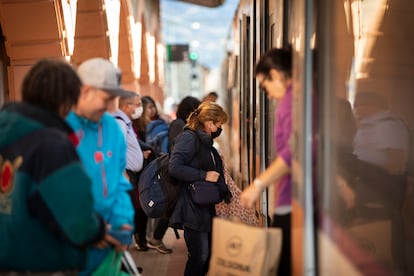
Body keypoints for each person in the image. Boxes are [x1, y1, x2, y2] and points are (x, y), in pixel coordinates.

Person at [0, 59, 107, 274]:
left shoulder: (8, 132)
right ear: (66, 101)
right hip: (43, 265)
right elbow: (78, 223)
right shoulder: (51, 144)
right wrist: (98, 230)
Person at [66, 57, 135, 275]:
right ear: (85, 91)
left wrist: (124, 221)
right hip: (73, 248)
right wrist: (88, 230)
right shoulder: (60, 129)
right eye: (106, 98)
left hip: (108, 248)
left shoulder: (112, 129)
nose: (109, 106)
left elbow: (119, 181)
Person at [240, 48, 293, 276]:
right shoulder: (297, 100)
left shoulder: (291, 102)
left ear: (276, 74)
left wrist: (257, 185)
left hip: (292, 199)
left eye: (265, 85)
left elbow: (294, 151)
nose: (268, 94)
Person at [169, 101, 232, 276]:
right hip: (191, 206)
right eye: (219, 125)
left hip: (204, 206)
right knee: (200, 256)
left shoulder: (205, 140)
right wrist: (203, 175)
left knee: (207, 255)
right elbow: (174, 167)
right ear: (209, 123)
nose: (220, 128)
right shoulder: (189, 138)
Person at [113, 92, 153, 253]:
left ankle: (125, 258)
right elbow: (116, 149)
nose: (139, 108)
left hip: (132, 175)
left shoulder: (126, 123)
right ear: (126, 105)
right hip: (127, 176)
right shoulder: (120, 123)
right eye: (137, 104)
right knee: (127, 217)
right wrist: (123, 172)